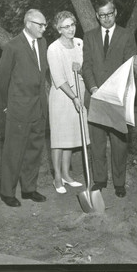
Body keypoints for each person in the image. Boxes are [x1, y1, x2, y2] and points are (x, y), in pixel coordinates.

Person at [0, 9, 49, 207]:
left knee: (34, 151)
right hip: (18, 109)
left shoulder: (43, 44)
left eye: (45, 25)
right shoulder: (13, 47)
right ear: (28, 24)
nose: (44, 28)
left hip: (38, 108)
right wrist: (6, 109)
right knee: (13, 152)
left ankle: (28, 189)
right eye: (40, 25)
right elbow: (1, 82)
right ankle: (7, 192)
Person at [82, 0, 137, 197]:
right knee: (97, 143)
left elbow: (129, 66)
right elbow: (86, 64)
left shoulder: (126, 35)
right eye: (102, 15)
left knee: (119, 144)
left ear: (115, 13)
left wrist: (118, 91)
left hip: (117, 99)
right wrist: (93, 87)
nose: (106, 18)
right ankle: (100, 180)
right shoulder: (89, 37)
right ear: (97, 16)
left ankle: (119, 183)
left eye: (109, 14)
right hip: (96, 97)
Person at [47, 11, 88, 193]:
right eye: (66, 26)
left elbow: (87, 67)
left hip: (79, 93)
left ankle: (66, 174)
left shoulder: (80, 43)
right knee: (59, 138)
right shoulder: (53, 49)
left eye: (72, 25)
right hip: (63, 96)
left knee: (70, 135)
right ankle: (57, 177)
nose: (70, 29)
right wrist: (74, 97)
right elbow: (59, 78)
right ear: (58, 29)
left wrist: (81, 70)